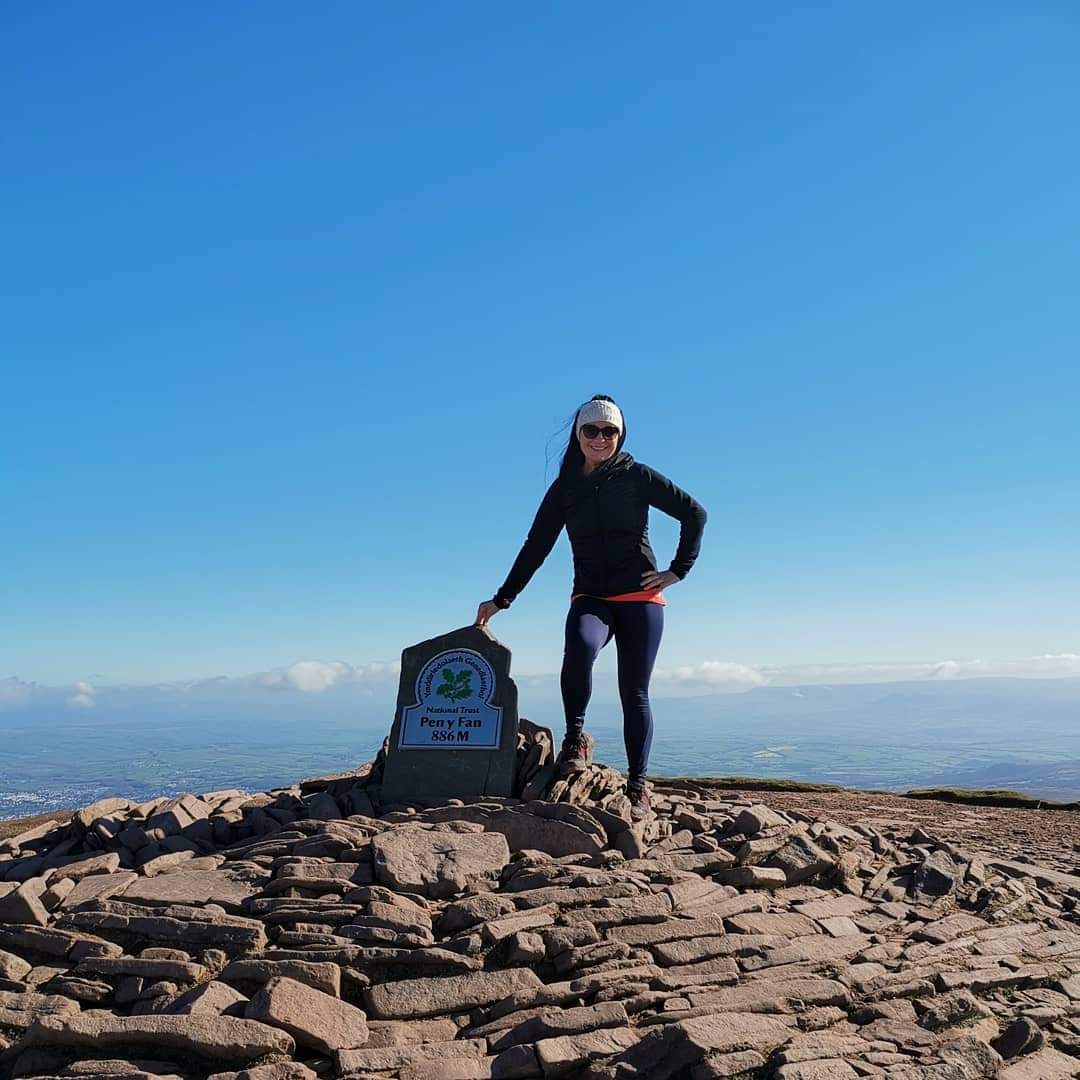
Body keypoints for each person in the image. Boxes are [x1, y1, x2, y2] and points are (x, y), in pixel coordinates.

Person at [475, 394, 707, 820]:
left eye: (609, 431)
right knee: (579, 650)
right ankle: (575, 739)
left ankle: (638, 786)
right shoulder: (565, 489)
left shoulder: (637, 476)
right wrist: (503, 598)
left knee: (633, 692)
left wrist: (677, 571)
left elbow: (695, 514)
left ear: (620, 435)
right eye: (591, 430)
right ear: (578, 434)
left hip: (640, 597)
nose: (600, 439)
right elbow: (536, 547)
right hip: (592, 596)